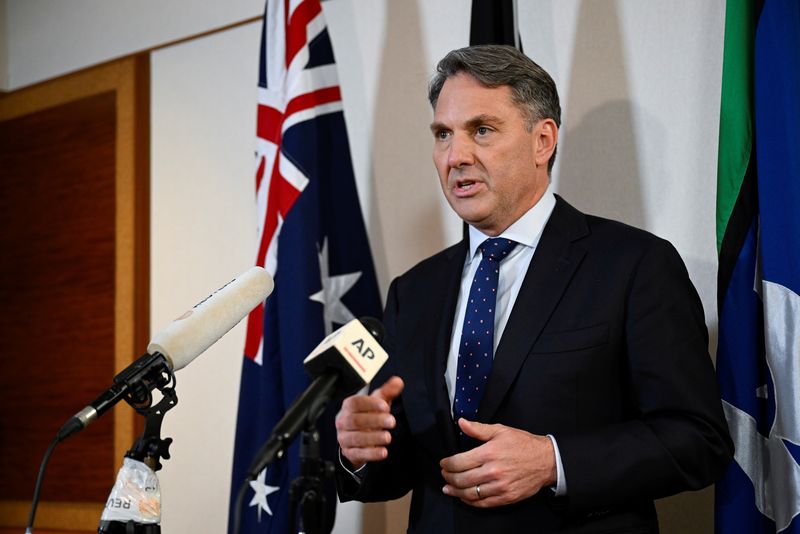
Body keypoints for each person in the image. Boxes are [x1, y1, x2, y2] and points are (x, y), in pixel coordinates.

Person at [335, 45, 733, 533]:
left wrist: (553, 461)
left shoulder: (635, 266)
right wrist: (360, 449)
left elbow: (698, 440)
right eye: (443, 134)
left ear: (542, 140)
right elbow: (399, 469)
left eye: (481, 130)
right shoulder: (412, 291)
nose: (456, 156)